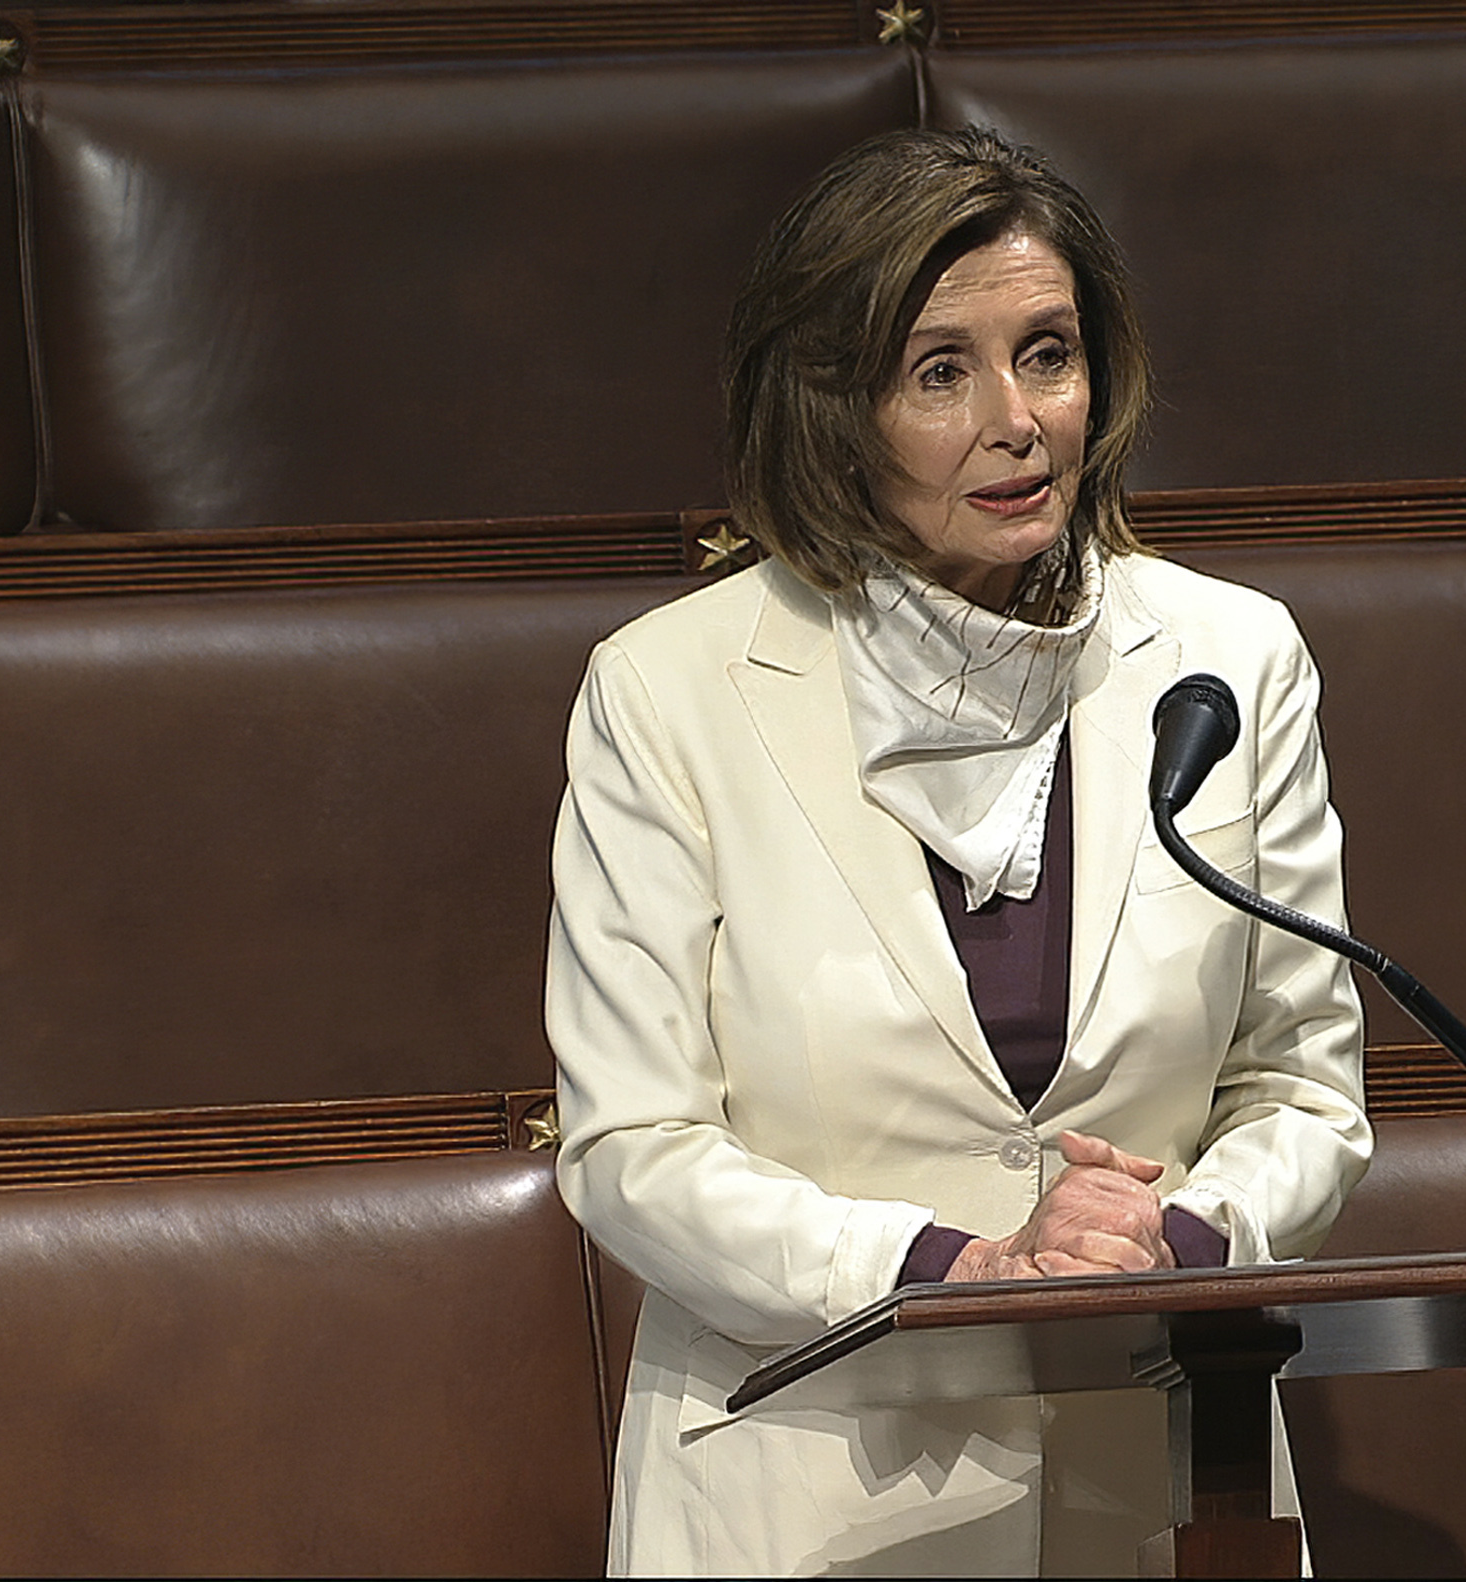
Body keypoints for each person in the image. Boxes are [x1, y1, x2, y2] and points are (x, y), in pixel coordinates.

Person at [546, 125, 1369, 1577]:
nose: (1018, 420)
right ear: (830, 411)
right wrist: (953, 1272)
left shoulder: (1231, 660)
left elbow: (1304, 1090)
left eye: (1048, 354)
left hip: (1167, 1482)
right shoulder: (666, 692)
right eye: (940, 372)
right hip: (808, 1502)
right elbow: (633, 1149)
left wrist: (1172, 1244)